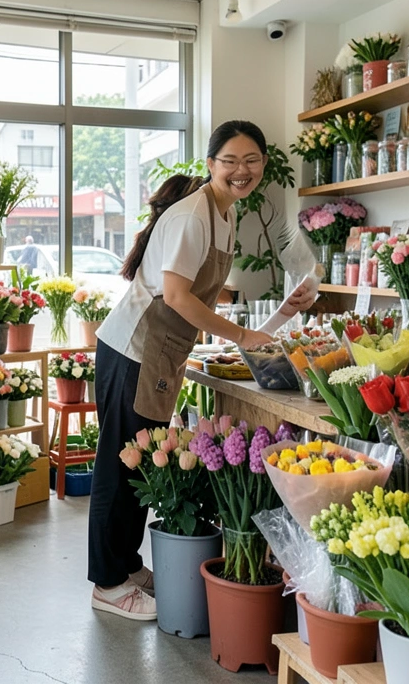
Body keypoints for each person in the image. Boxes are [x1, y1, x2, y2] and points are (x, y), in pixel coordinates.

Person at [86, 120, 317, 620]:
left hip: (157, 356)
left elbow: (200, 297)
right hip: (135, 351)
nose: (242, 170)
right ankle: (106, 583)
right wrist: (241, 336)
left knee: (138, 466)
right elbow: (175, 296)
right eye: (230, 160)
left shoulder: (225, 214)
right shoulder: (195, 216)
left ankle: (124, 566)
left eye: (252, 160)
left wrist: (282, 313)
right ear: (211, 164)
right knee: (118, 466)